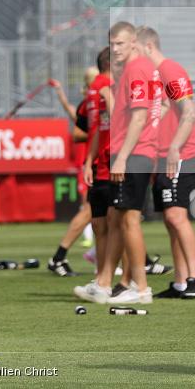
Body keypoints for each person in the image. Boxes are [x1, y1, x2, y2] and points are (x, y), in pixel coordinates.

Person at [136, 26, 195, 299]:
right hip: (163, 156)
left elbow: (189, 112)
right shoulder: (154, 75)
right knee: (170, 218)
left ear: (148, 46)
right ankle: (180, 282)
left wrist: (175, 147)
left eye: (135, 49)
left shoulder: (170, 70)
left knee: (177, 216)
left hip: (180, 155)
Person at [105, 22, 162, 304]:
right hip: (138, 151)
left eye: (120, 44)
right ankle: (123, 283)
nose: (115, 49)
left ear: (134, 44)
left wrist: (123, 158)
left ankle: (140, 287)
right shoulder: (139, 69)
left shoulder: (137, 69)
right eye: (112, 43)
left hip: (135, 153)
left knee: (129, 220)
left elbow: (139, 116)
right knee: (124, 218)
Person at [74, 46, 118, 301]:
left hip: (105, 160)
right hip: (108, 159)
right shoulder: (106, 86)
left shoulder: (94, 88)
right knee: (110, 223)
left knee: (104, 223)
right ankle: (107, 279)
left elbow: (97, 127)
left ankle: (108, 278)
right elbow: (105, 124)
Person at [47, 67, 98, 277]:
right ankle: (59, 257)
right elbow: (78, 131)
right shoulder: (91, 104)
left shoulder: (94, 102)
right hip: (90, 167)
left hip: (97, 165)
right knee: (89, 210)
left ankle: (100, 254)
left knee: (106, 213)